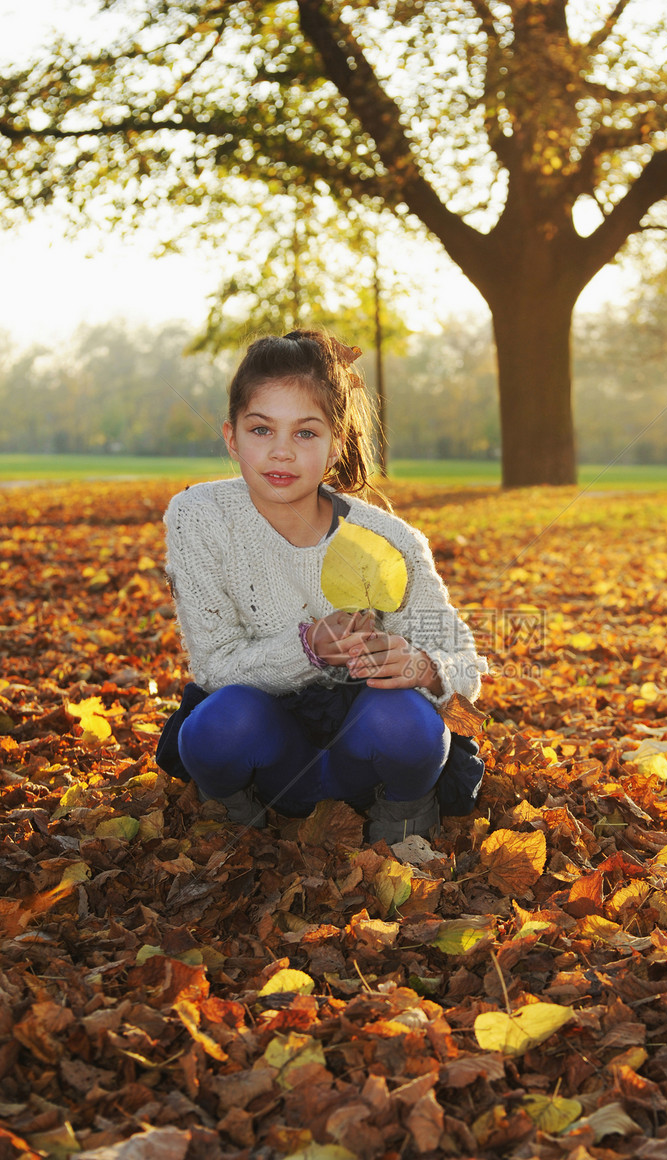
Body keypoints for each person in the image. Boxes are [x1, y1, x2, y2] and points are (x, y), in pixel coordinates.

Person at [157, 328, 486, 842]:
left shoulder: (388, 538)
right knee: (221, 720)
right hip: (267, 751)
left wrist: (423, 666)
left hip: (366, 754)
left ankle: (404, 809)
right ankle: (236, 813)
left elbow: (463, 657)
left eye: (306, 433)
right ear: (231, 436)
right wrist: (309, 646)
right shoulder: (199, 516)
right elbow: (215, 665)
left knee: (408, 717)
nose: (282, 452)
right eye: (261, 430)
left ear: (335, 446)